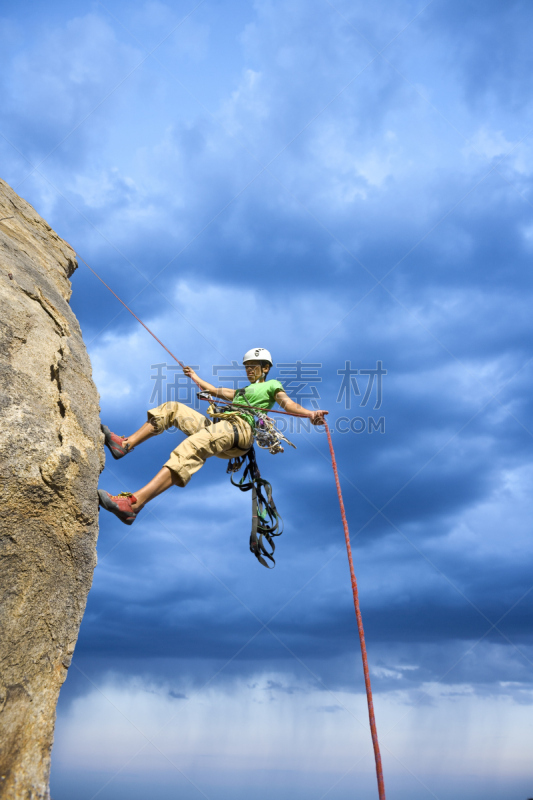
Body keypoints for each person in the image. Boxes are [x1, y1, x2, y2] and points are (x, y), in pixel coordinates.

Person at [98, 348, 328, 524]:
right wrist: (195, 377)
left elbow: (288, 404)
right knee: (173, 408)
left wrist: (310, 414)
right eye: (247, 366)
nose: (249, 369)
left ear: (265, 368)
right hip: (224, 427)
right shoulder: (242, 392)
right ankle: (125, 445)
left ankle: (133, 504)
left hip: (239, 430)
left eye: (254, 366)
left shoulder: (271, 386)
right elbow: (217, 391)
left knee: (190, 448)